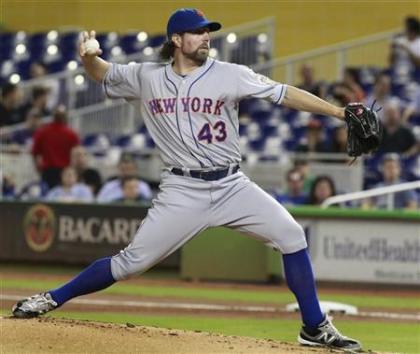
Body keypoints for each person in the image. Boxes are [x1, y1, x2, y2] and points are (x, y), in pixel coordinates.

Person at [12, 8, 361, 351]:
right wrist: (89, 57)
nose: (206, 36)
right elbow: (102, 73)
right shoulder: (146, 77)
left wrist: (339, 112)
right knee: (131, 264)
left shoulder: (230, 73)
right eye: (197, 31)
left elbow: (284, 93)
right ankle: (50, 298)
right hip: (182, 190)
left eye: (208, 30)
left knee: (291, 234)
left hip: (231, 185)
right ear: (176, 40)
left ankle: (314, 327)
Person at [31, 105, 80, 189]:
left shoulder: (43, 132)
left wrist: (38, 168)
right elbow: (77, 153)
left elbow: (34, 152)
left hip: (48, 172)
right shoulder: (71, 134)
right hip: (64, 172)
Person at [390, 16, 420, 83]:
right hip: (396, 71)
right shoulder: (401, 40)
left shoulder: (418, 43)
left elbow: (418, 63)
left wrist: (407, 49)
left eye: (406, 27)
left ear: (412, 30)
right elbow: (391, 61)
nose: (403, 29)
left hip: (412, 73)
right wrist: (393, 50)